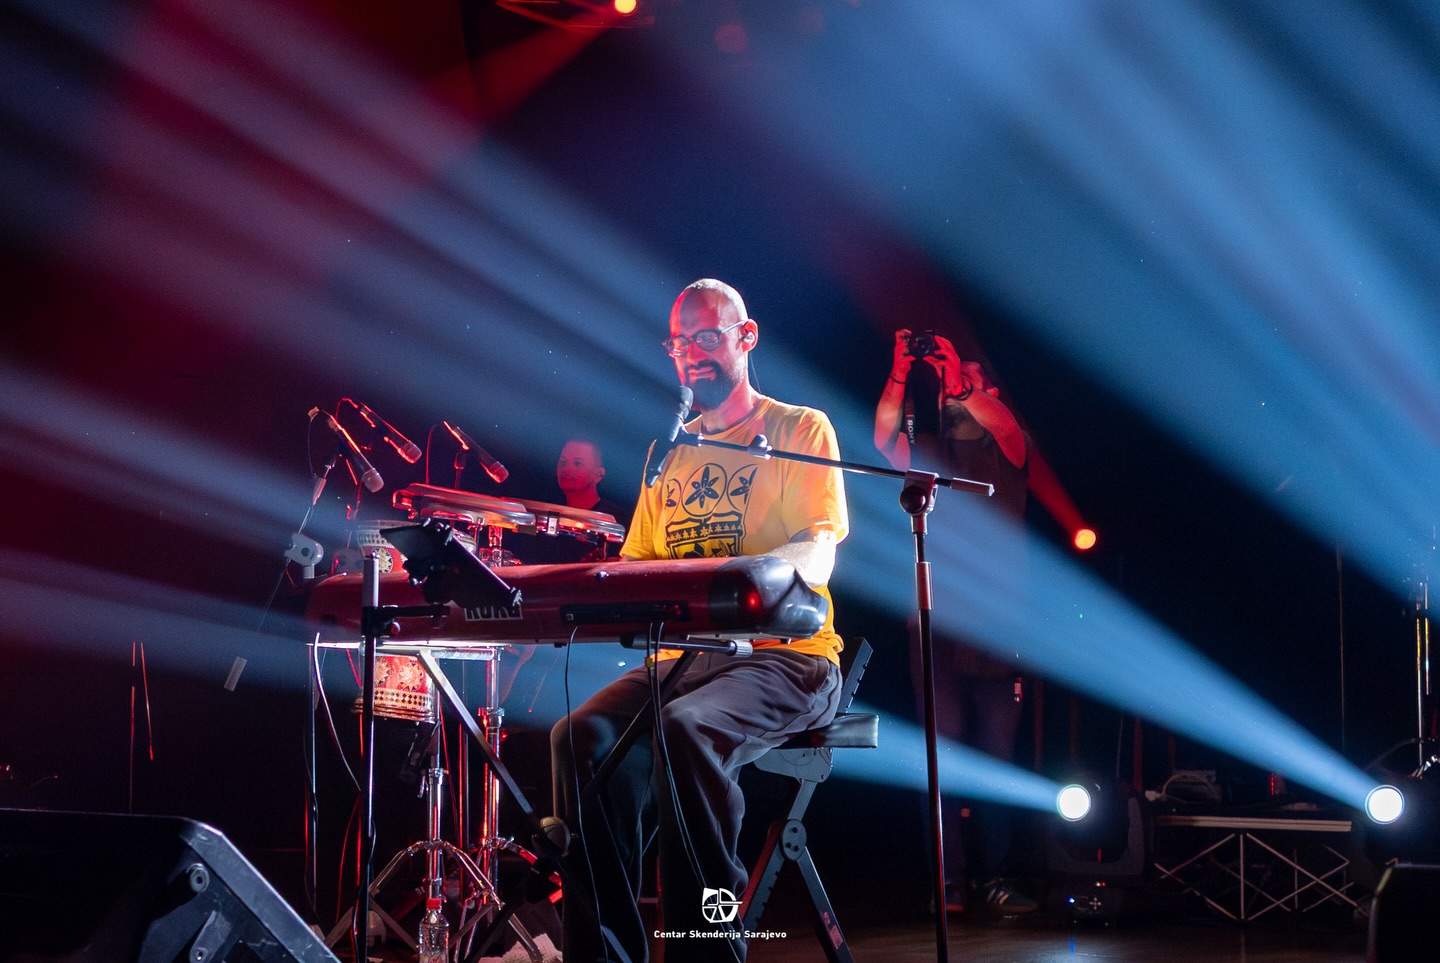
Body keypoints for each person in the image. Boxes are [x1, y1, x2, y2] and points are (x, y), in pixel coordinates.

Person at [550, 278, 849, 963]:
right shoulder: (668, 454)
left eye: (707, 337)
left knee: (686, 728)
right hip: (683, 662)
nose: (691, 354)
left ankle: (703, 951)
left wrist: (738, 581)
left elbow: (818, 552)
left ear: (746, 337)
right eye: (680, 343)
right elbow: (637, 566)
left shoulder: (799, 429)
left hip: (786, 658)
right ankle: (603, 955)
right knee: (578, 736)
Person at [873, 328, 1034, 914]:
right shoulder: (928, 451)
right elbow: (882, 436)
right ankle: (949, 883)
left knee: (995, 758)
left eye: (971, 376)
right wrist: (901, 370)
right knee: (940, 755)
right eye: (950, 377)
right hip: (934, 624)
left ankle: (995, 877)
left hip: (996, 631)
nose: (955, 384)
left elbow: (1006, 428)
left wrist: (962, 384)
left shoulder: (1008, 448)